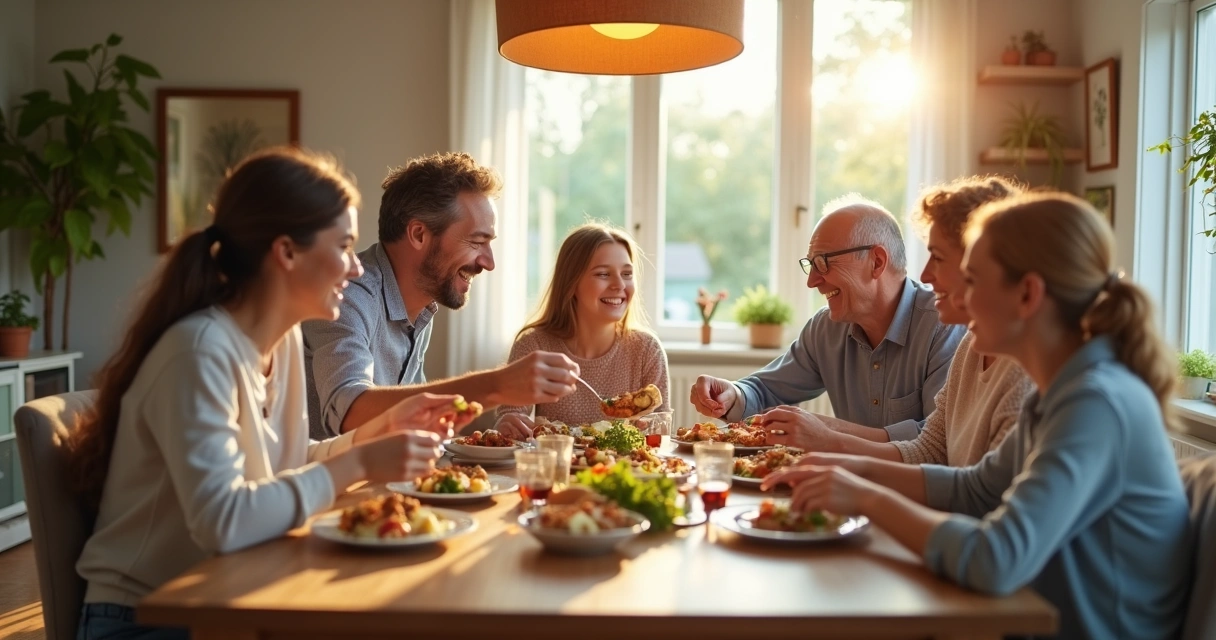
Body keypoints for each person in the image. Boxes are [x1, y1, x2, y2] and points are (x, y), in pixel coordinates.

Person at [69, 148, 477, 640]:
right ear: (286, 252)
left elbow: (282, 463)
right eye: (344, 246)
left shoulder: (278, 343)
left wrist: (375, 435)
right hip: (150, 616)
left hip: (231, 595)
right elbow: (224, 520)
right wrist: (361, 465)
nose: (354, 268)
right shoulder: (199, 351)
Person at [764, 192, 1191, 639]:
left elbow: (996, 560)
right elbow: (977, 489)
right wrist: (844, 469)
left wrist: (866, 497)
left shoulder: (1096, 402)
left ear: (1027, 294)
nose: (956, 296)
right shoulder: (1064, 389)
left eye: (972, 279)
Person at [302, 152, 579, 440]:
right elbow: (350, 412)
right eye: (476, 241)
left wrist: (482, 439)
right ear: (419, 234)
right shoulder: (348, 296)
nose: (488, 262)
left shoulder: (421, 304)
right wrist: (497, 385)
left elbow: (412, 421)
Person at [771, 177, 1034, 465]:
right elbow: (932, 451)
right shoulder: (970, 348)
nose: (925, 275)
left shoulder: (1024, 378)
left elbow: (978, 498)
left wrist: (831, 442)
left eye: (938, 257)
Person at [690, 195, 966, 442]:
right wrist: (732, 395)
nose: (812, 281)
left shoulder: (943, 325)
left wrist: (828, 432)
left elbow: (938, 443)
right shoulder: (826, 328)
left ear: (877, 262)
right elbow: (764, 391)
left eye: (823, 262)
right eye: (810, 265)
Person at [496, 223, 670, 433]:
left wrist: (651, 427)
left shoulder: (646, 350)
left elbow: (660, 431)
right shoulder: (534, 344)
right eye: (603, 274)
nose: (619, 285)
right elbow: (511, 418)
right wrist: (508, 423)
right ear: (572, 283)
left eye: (626, 274)